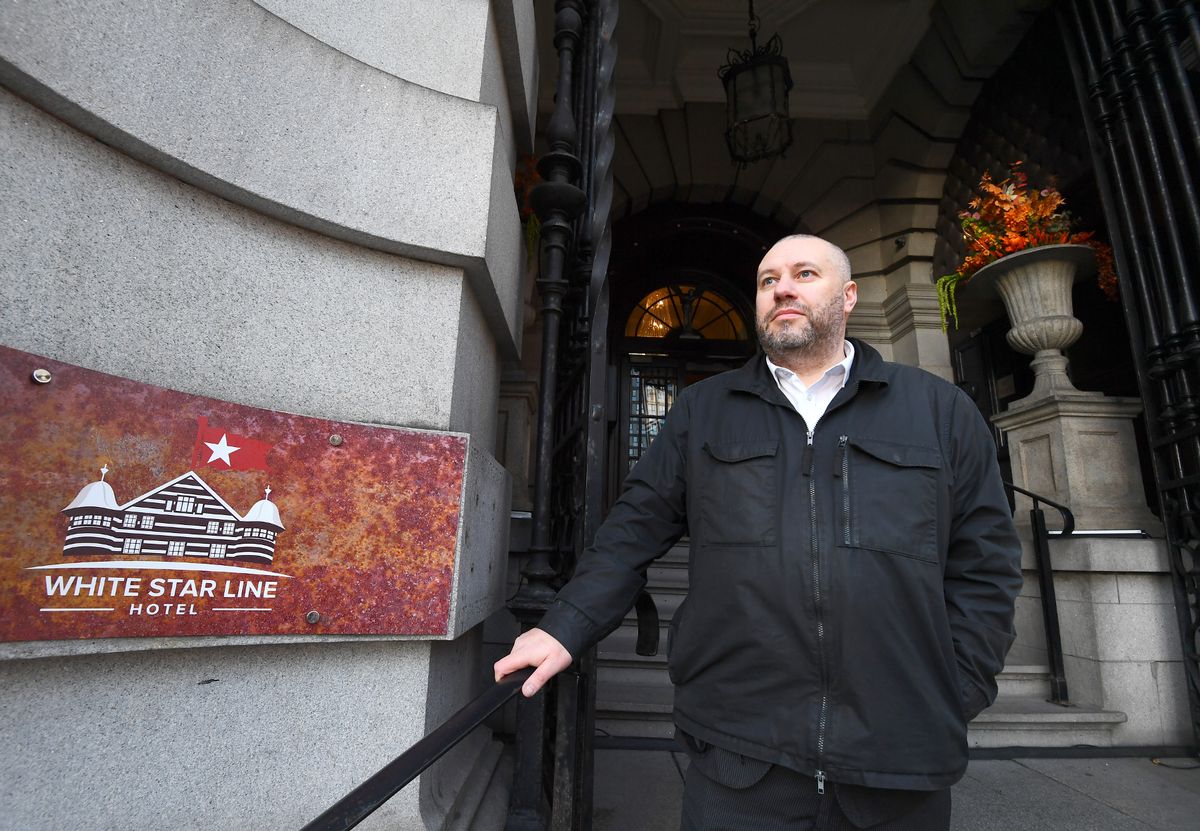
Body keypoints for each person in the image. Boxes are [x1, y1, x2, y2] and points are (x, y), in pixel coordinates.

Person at [494, 234, 1022, 830]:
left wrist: (956, 687)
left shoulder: (939, 411)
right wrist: (565, 627)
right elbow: (630, 532)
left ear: (848, 296)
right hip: (739, 757)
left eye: (804, 274)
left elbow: (986, 565)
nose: (783, 288)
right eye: (768, 280)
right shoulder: (703, 411)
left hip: (898, 757)